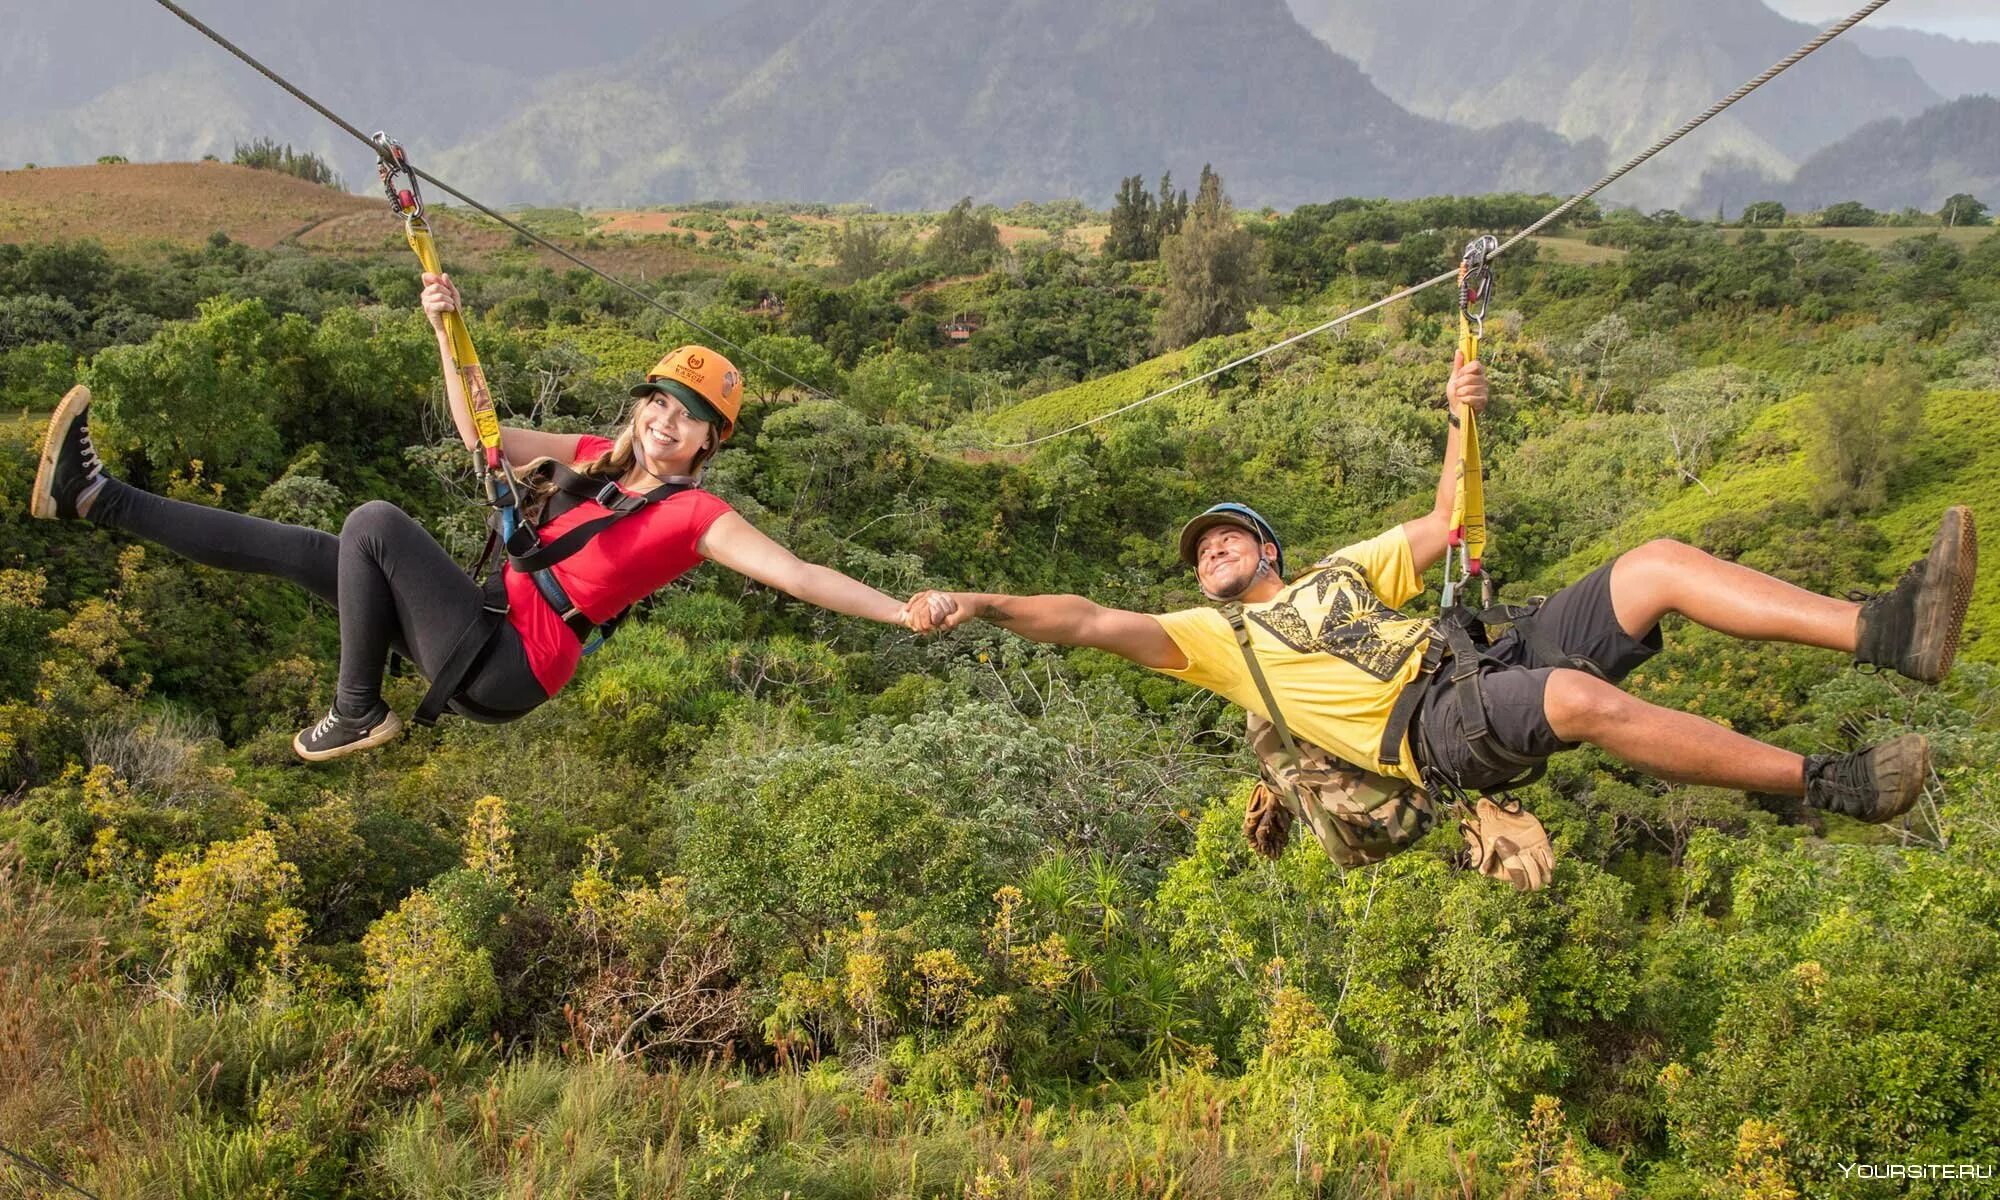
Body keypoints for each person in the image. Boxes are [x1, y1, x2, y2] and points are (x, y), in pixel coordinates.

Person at [907, 351, 1975, 825]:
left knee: (1653, 565)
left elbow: (1446, 517)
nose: (1210, 554)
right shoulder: (1208, 639)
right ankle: (1827, 782)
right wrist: (984, 604)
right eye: (1200, 553)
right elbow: (1087, 620)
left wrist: (1460, 406)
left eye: (1227, 540)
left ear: (1268, 550)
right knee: (1576, 705)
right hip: (1432, 730)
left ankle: (1887, 632)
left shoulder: (1338, 572)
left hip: (1478, 651)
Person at [33, 272, 933, 762]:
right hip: (485, 627)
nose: (665, 420)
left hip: (509, 665)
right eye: (658, 400)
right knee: (314, 547)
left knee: (375, 522)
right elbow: (486, 434)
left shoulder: (694, 513)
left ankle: (357, 712)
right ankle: (97, 498)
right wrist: (445, 330)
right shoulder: (592, 457)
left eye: (687, 416)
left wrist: (897, 609)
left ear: (708, 444)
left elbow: (798, 575)